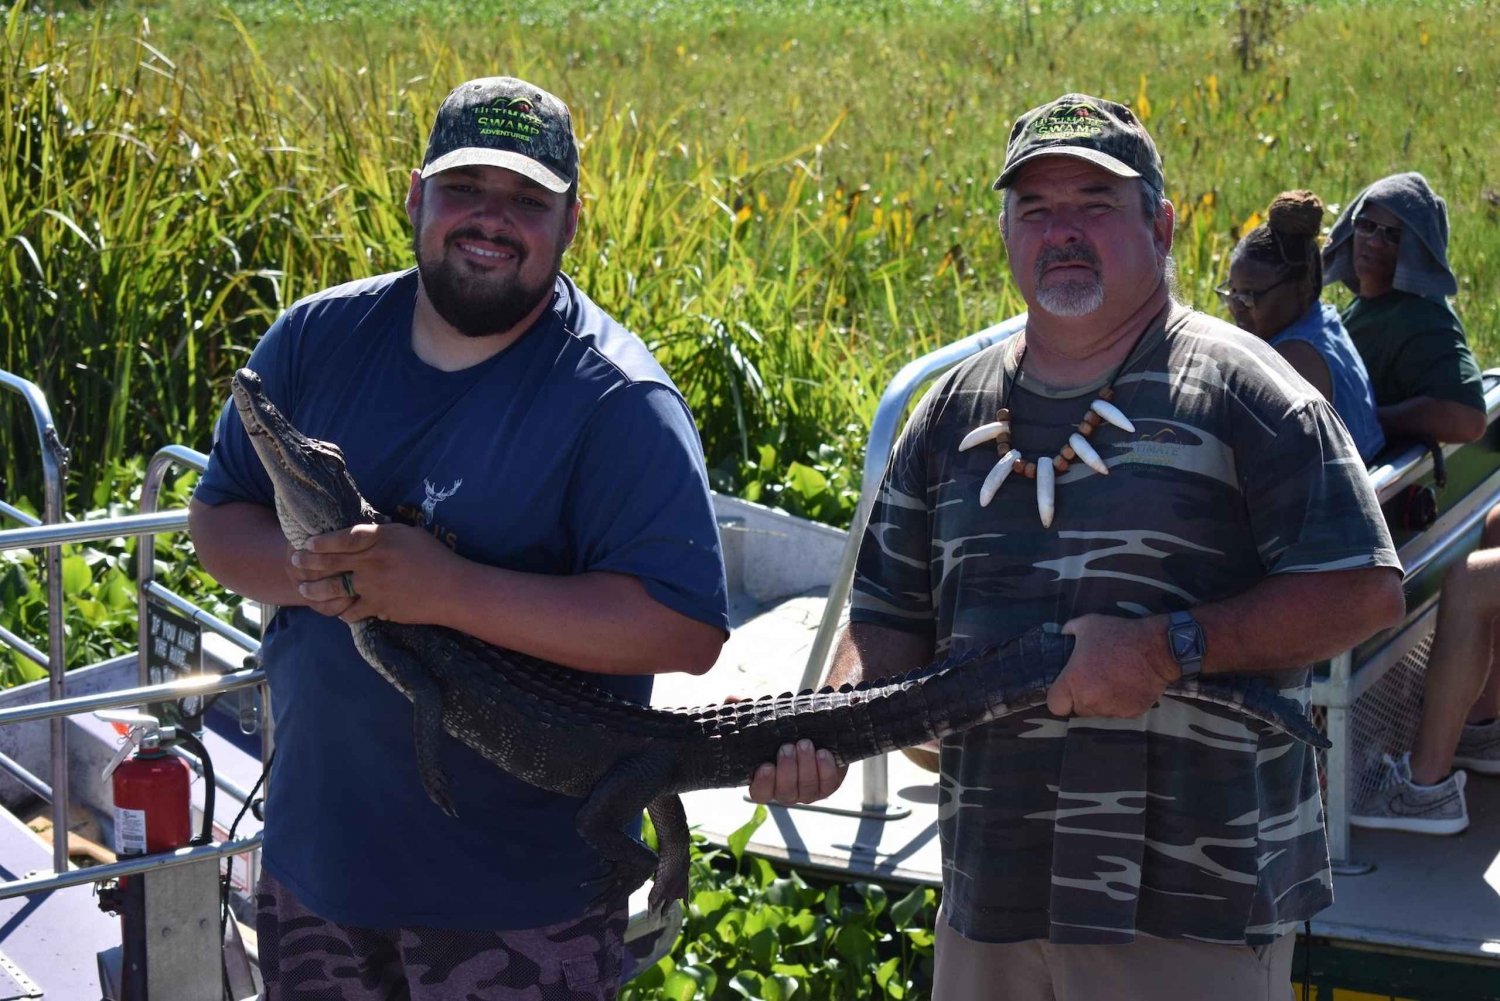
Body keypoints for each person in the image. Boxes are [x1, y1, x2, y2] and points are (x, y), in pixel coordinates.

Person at [749, 93, 1404, 1001]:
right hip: (991, 891)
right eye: (1037, 209)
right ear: (1008, 230)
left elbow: (1364, 592)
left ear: (1162, 226)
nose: (1063, 232)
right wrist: (828, 726)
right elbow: (889, 617)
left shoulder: (1249, 394)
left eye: (1095, 205)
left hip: (1195, 906)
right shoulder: (949, 414)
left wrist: (1171, 646)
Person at [189, 77, 729, 999]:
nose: (492, 219)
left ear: (571, 221)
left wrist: (440, 589)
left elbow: (684, 630)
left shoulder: (618, 402)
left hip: (520, 911)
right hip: (316, 871)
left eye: (527, 198)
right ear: (416, 196)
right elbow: (218, 517)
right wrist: (317, 572)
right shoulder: (315, 339)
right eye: (466, 188)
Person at [1324, 172, 1499, 834]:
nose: (1372, 241)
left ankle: (1424, 789)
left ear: (1418, 250)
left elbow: (1463, 415)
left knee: (1469, 579)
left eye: (1392, 233)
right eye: (1365, 224)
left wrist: (1378, 421)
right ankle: (1482, 723)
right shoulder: (1353, 314)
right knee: (1495, 522)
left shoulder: (1418, 318)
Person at [1219, 189, 1384, 462]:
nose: (1236, 306)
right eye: (1231, 292)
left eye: (1250, 296)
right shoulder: (1323, 323)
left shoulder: (1293, 358)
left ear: (1300, 287)